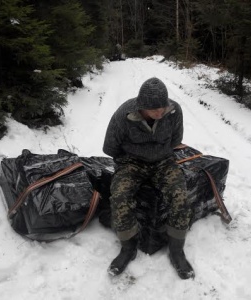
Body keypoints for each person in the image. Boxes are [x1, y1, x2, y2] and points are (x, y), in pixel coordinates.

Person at [103, 77, 195, 280]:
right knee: (119, 196)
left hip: (163, 162)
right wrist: (128, 162)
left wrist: (158, 155)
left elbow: (176, 140)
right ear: (141, 106)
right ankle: (128, 248)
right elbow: (110, 148)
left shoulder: (174, 111)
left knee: (180, 196)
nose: (160, 112)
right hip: (132, 163)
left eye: (162, 107)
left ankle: (176, 251)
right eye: (154, 109)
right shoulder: (123, 115)